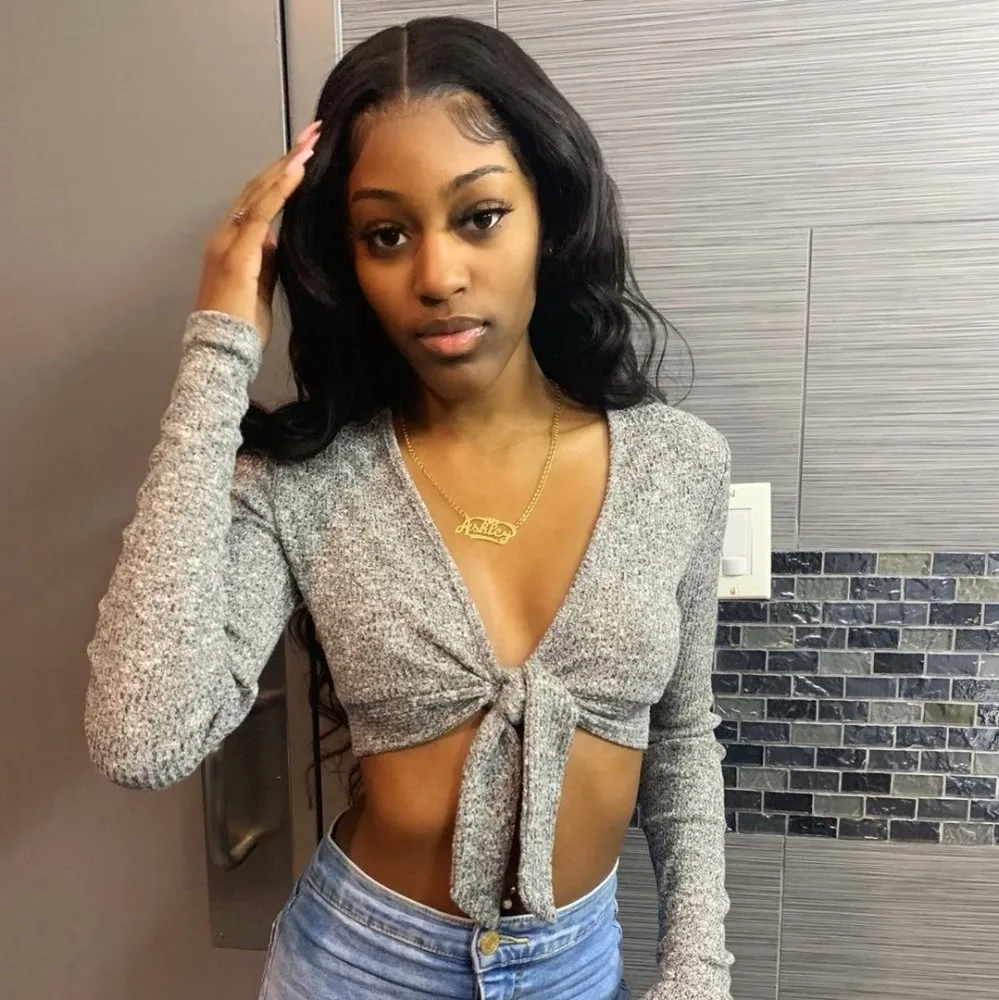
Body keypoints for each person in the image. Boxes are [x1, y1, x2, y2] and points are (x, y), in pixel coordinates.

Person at [84, 16, 733, 1000]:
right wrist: (219, 344)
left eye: (480, 216)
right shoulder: (304, 479)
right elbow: (143, 738)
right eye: (386, 235)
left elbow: (681, 740)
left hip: (576, 968)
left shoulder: (677, 465)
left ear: (549, 216)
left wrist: (695, 969)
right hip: (358, 964)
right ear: (347, 259)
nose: (436, 277)